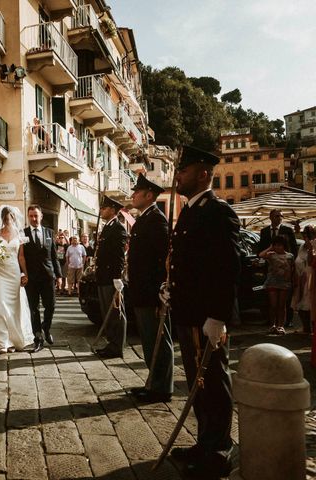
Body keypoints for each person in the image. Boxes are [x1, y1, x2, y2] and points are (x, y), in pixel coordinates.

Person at [166, 145, 240, 477]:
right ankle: (205, 440)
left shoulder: (217, 211)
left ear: (203, 174)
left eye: (184, 170)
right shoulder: (190, 211)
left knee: (214, 381)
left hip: (205, 316)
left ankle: (220, 448)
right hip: (188, 311)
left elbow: (226, 268)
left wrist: (218, 316)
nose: (177, 176)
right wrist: (170, 286)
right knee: (198, 383)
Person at [126, 174, 173, 403]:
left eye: (138, 191)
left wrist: (160, 295)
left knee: (158, 340)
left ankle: (162, 388)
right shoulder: (144, 218)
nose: (133, 195)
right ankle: (154, 382)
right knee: (148, 339)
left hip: (152, 293)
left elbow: (163, 260)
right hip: (141, 291)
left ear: (149, 195)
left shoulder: (156, 220)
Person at [0, 205, 34, 354]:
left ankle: (13, 340)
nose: (8, 221)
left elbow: (21, 257)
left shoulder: (19, 235)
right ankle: (2, 342)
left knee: (14, 307)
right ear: (2, 219)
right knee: (1, 304)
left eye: (10, 218)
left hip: (13, 272)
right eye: (5, 219)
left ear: (14, 218)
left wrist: (25, 274)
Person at [22, 205, 62, 352]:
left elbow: (54, 256)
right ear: (28, 217)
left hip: (48, 276)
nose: (33, 219)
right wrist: (23, 274)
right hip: (31, 278)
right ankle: (38, 337)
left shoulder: (49, 233)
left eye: (36, 216)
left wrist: (58, 276)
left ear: (41, 216)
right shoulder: (23, 234)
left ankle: (46, 328)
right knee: (33, 309)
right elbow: (20, 257)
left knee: (51, 306)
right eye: (31, 216)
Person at [94, 196, 128, 359]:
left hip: (111, 278)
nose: (102, 210)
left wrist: (117, 278)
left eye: (105, 208)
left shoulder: (118, 228)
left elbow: (119, 257)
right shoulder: (107, 227)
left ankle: (116, 346)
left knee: (115, 313)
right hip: (103, 277)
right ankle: (111, 343)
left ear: (113, 210)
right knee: (106, 312)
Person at [260, 235, 295, 335]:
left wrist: (293, 281)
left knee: (282, 305)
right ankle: (273, 325)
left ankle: (281, 325)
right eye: (276, 245)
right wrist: (270, 248)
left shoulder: (290, 256)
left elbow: (292, 269)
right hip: (272, 282)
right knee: (273, 305)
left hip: (285, 283)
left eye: (280, 245)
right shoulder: (271, 254)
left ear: (284, 246)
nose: (278, 247)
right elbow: (261, 255)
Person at [293, 226, 315, 333]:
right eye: (304, 234)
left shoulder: (314, 246)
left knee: (309, 303)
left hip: (311, 277)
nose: (306, 236)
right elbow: (297, 261)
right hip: (300, 277)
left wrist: (311, 247)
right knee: (300, 302)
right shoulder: (301, 246)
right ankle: (305, 327)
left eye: (309, 234)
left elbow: (311, 262)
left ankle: (311, 327)